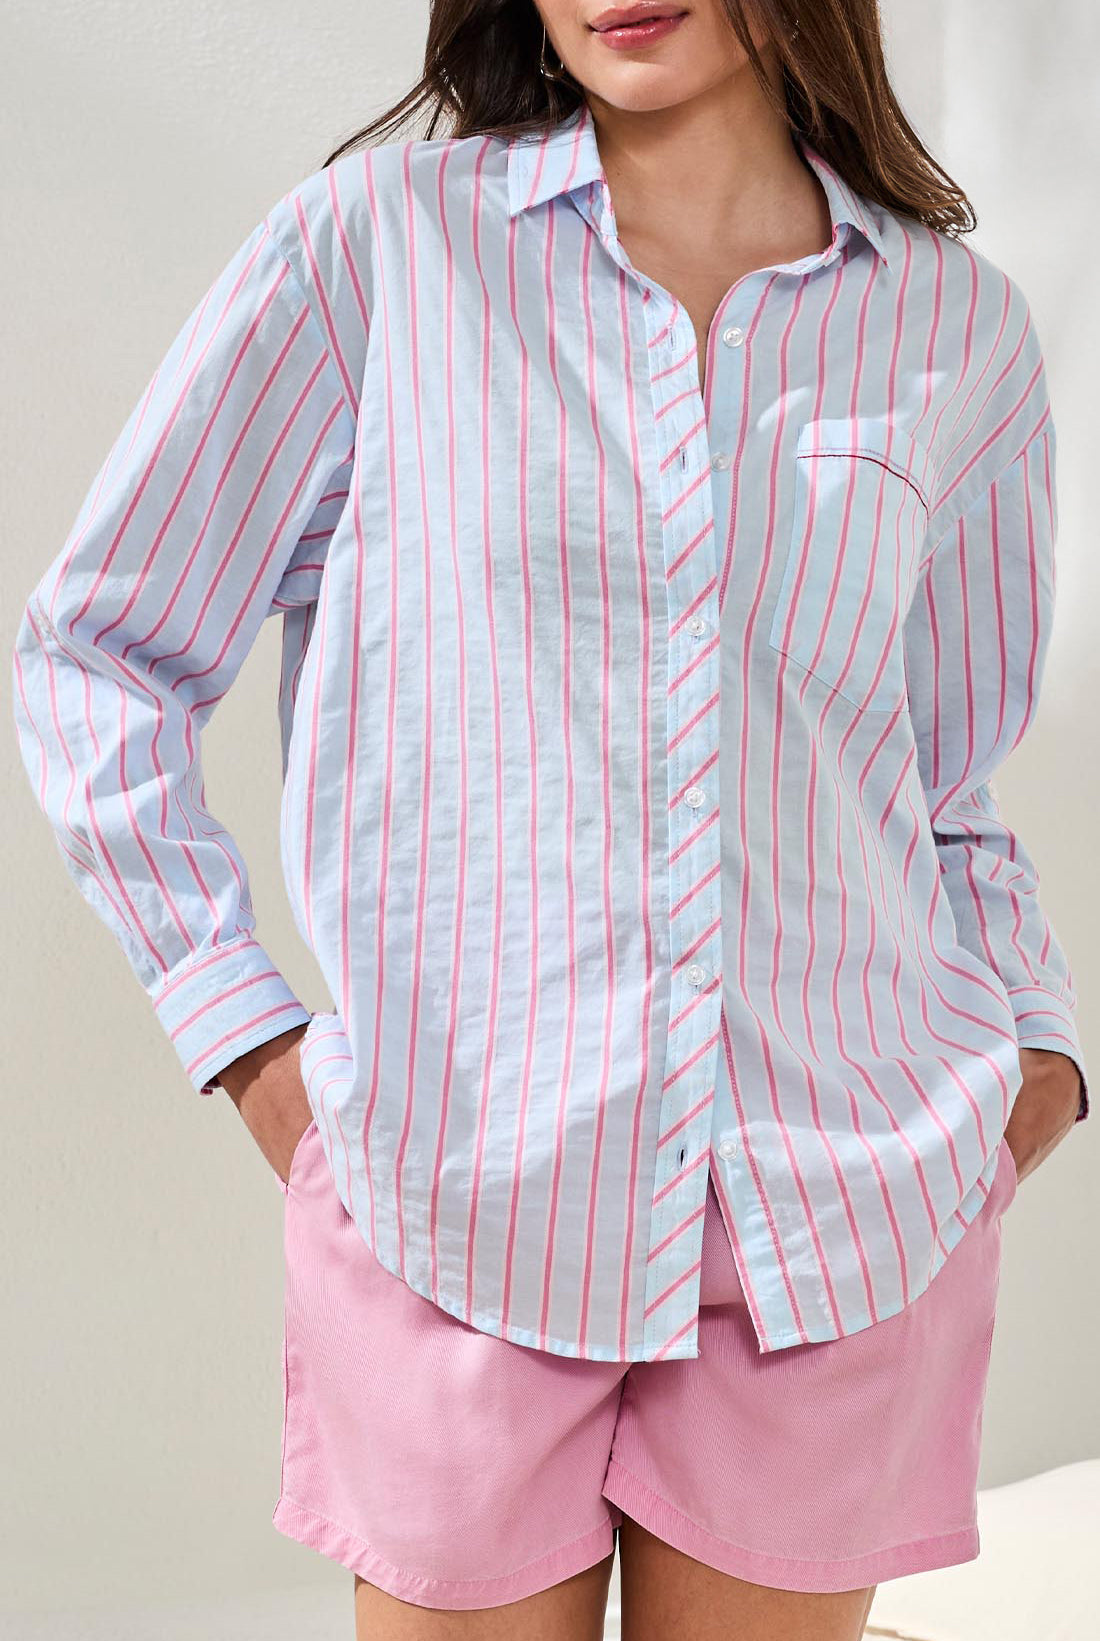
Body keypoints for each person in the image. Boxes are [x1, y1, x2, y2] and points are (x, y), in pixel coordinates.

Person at [11, 2, 1090, 1637]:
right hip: (461, 1201)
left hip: (836, 1223)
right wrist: (245, 1033)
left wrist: (1038, 1049)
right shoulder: (377, 256)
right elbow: (102, 651)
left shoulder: (956, 334)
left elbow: (942, 783)